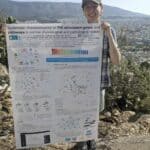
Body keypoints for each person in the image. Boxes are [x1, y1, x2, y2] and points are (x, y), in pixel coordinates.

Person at [72, 0, 121, 149]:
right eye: (87, 6)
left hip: (98, 83)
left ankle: (90, 139)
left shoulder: (109, 31)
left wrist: (108, 33)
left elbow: (116, 61)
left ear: (102, 9)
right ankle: (81, 142)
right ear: (83, 11)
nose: (91, 9)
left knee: (94, 113)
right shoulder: (76, 31)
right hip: (77, 84)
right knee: (78, 113)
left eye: (94, 6)